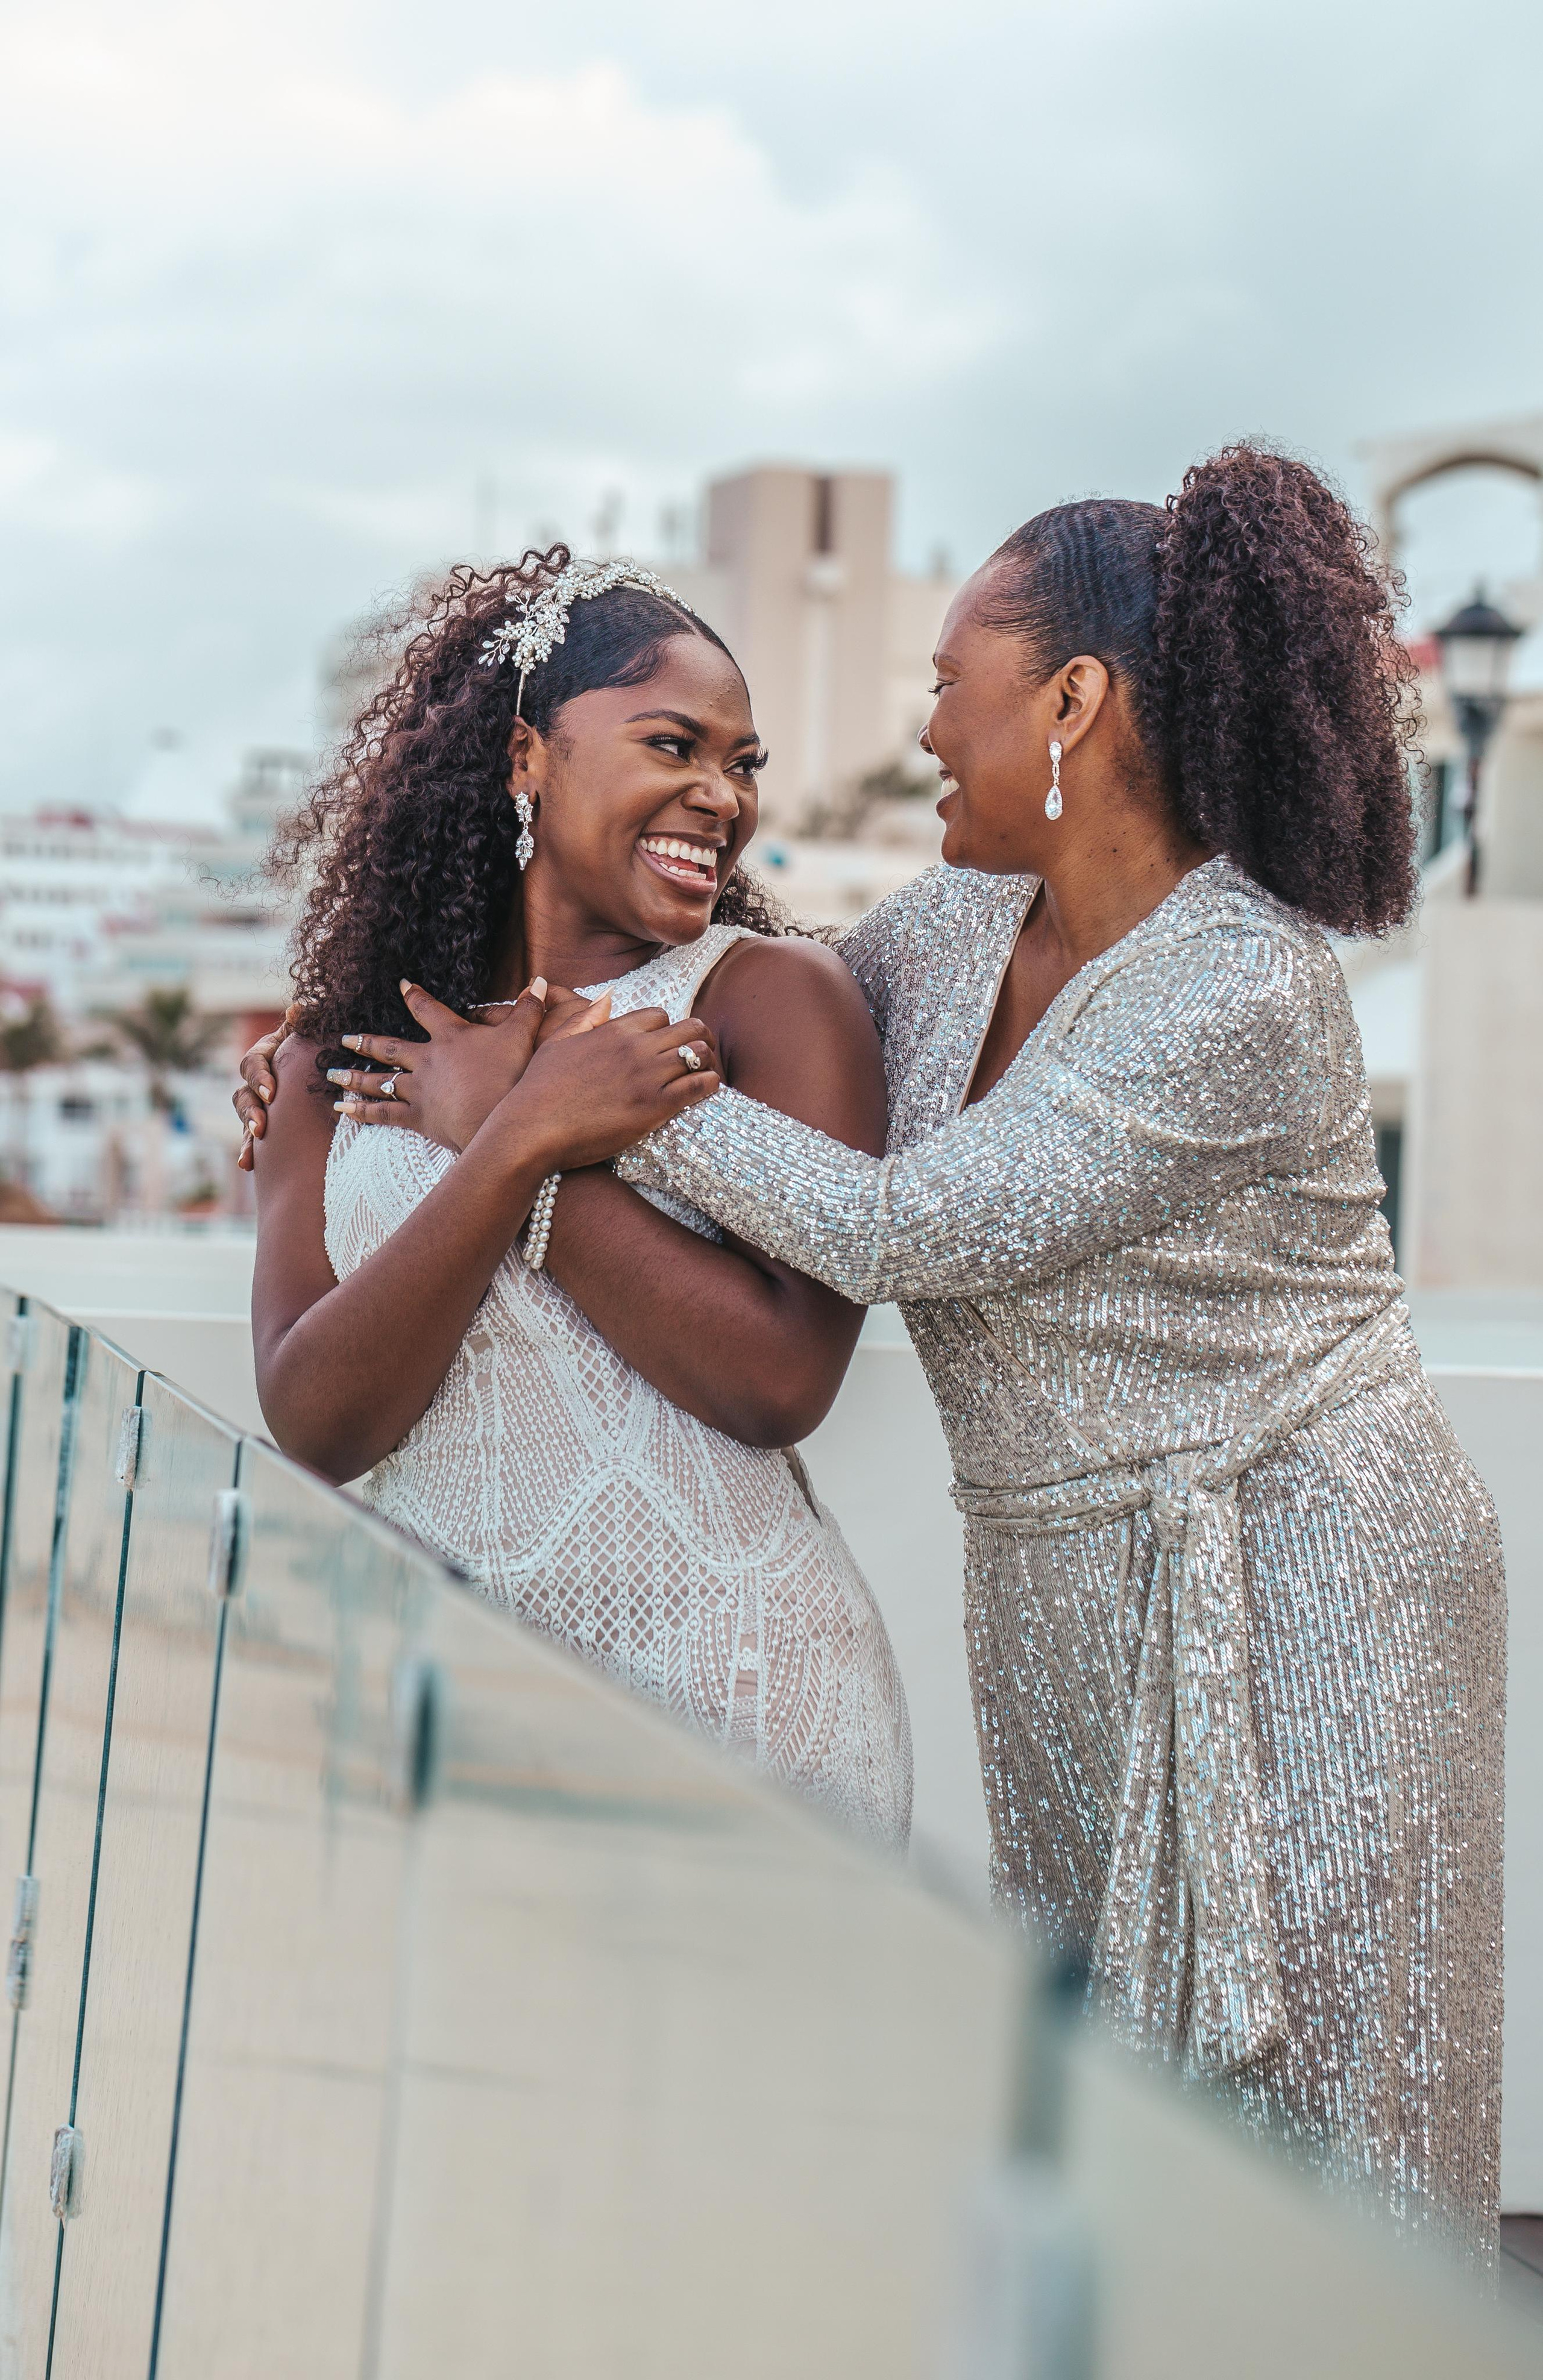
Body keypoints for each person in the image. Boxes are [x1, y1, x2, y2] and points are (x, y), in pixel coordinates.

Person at [240, 551, 911, 1849]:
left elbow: (777, 1379)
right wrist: (514, 1139)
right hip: (435, 1711)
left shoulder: (769, 1001)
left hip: (744, 1707)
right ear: (523, 757)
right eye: (674, 743)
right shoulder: (334, 1061)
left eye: (746, 763)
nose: (719, 796)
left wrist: (513, 1135)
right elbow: (318, 1421)